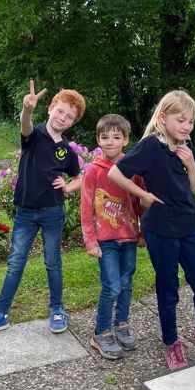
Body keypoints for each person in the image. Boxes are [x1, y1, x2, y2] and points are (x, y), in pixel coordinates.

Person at [108, 90, 195, 369]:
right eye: (181, 120)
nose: (187, 126)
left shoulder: (186, 145)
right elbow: (115, 173)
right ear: (163, 118)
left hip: (189, 224)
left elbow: (192, 186)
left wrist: (190, 164)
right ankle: (171, 343)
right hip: (161, 229)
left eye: (191, 121)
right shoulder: (149, 147)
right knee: (168, 288)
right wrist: (143, 195)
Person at [0, 81, 86, 337]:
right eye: (60, 111)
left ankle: (57, 309)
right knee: (15, 263)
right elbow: (25, 124)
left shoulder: (67, 150)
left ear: (72, 123)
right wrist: (27, 109)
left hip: (53, 211)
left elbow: (79, 177)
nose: (62, 118)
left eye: (69, 116)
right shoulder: (34, 135)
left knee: (53, 263)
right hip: (26, 213)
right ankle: (0, 314)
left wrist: (68, 187)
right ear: (50, 108)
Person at [81, 114, 144, 360]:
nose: (110, 142)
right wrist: (90, 240)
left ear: (126, 140)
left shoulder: (133, 170)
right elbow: (86, 208)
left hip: (128, 238)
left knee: (126, 282)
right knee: (111, 286)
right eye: (105, 137)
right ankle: (101, 332)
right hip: (105, 240)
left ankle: (121, 324)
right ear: (98, 140)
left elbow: (140, 202)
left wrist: (142, 232)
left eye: (116, 137)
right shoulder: (93, 172)